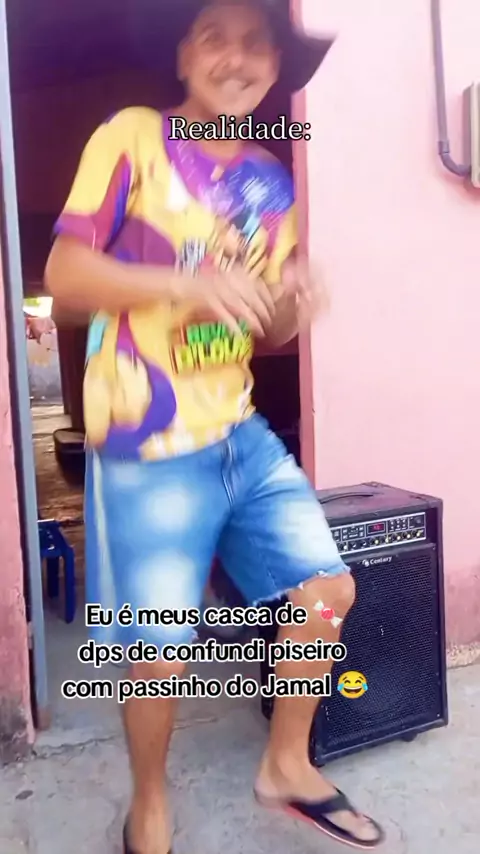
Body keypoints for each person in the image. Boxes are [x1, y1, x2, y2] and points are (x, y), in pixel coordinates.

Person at [45, 1, 385, 852]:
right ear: (184, 57)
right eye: (215, 38)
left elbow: (263, 326)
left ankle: (287, 765)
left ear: (273, 68)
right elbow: (66, 276)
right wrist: (183, 286)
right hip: (146, 437)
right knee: (158, 647)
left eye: (256, 44)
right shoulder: (132, 137)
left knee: (325, 591)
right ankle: (149, 807)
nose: (237, 58)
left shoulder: (271, 180)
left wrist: (294, 304)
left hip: (237, 428)